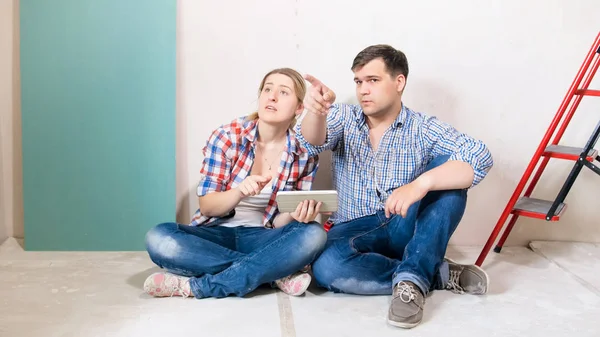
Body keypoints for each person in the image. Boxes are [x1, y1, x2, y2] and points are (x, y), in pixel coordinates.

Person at [295, 44, 494, 328]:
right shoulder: (343, 116)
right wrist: (317, 112)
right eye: (359, 82)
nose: (363, 90)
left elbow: (479, 155)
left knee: (448, 173)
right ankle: (433, 272)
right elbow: (309, 142)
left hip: (403, 223)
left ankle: (411, 283)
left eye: (373, 81)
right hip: (354, 227)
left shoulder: (422, 127)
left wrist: (420, 184)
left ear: (399, 82)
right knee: (326, 266)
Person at [143, 67, 328, 299]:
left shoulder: (303, 154)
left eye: (283, 92)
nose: (271, 97)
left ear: (299, 108)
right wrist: (239, 191)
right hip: (215, 235)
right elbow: (208, 206)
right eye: (267, 89)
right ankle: (273, 273)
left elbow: (280, 222)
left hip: (263, 238)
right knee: (159, 238)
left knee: (313, 234)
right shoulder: (227, 137)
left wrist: (296, 214)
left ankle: (198, 286)